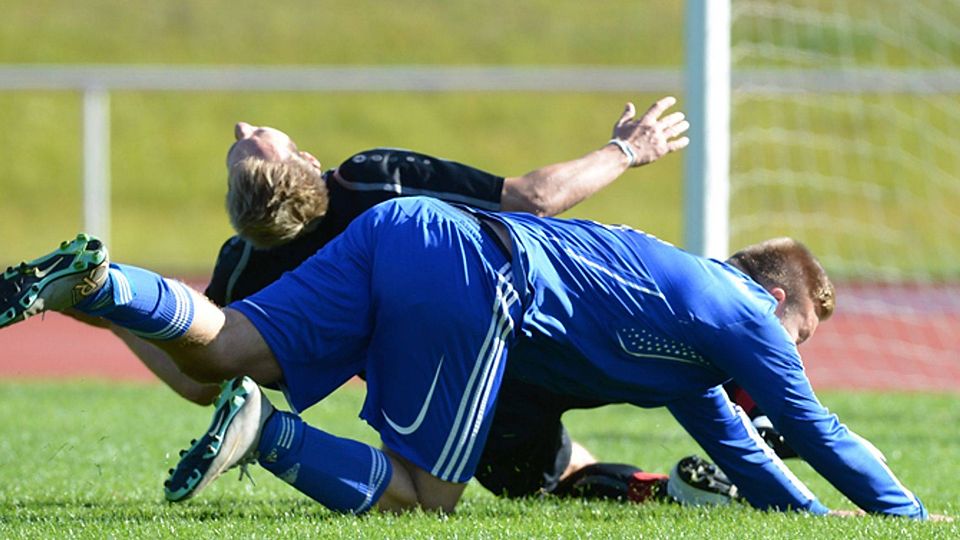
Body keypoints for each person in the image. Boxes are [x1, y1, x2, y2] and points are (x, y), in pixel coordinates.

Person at [0, 196, 933, 519]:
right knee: (428, 494)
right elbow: (814, 427)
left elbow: (750, 456)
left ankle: (99, 282)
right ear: (778, 304)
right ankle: (267, 439)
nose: (788, 355)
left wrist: (816, 517)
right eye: (800, 336)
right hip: (472, 268)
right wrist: (910, 517)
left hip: (408, 231)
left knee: (230, 346)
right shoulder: (745, 315)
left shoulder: (694, 354)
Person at [52, 97, 717, 504]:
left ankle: (119, 291)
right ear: (306, 160)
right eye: (251, 140)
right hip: (528, 334)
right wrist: (628, 149)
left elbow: (203, 371)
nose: (243, 120)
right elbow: (532, 198)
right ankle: (743, 442)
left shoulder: (246, 261)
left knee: (535, 472)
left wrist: (114, 320)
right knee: (670, 369)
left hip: (425, 401)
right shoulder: (371, 179)